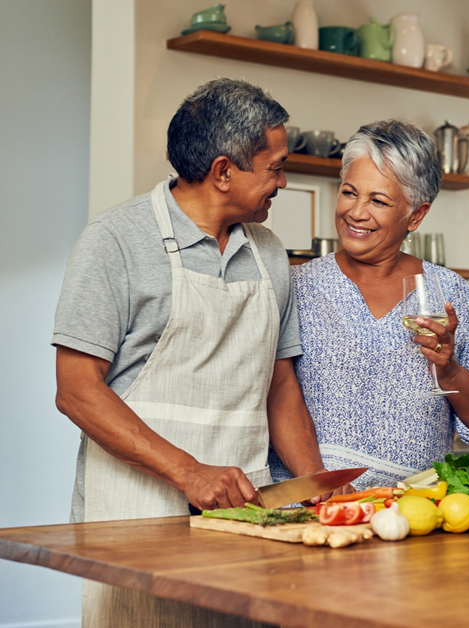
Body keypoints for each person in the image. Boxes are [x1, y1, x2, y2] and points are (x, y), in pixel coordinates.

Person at [53, 78, 333, 627]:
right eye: (273, 167)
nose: (283, 180)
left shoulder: (270, 254)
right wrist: (190, 474)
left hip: (244, 517)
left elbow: (279, 386)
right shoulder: (114, 241)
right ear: (224, 171)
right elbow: (76, 391)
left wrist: (319, 492)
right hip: (136, 514)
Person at [269, 119, 469, 489]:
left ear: (415, 215)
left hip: (414, 515)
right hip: (311, 509)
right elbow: (272, 396)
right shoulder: (295, 285)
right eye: (349, 193)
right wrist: (321, 484)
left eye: (379, 200)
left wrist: (449, 371)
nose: (356, 212)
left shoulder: (449, 291)